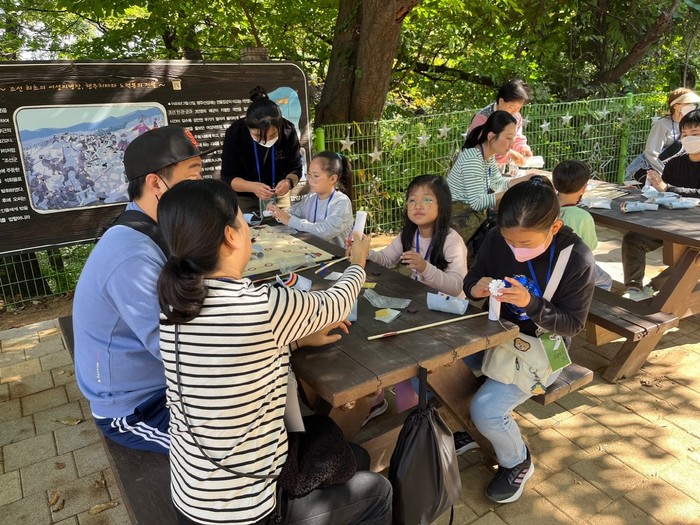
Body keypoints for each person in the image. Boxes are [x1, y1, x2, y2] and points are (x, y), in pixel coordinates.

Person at [156, 179, 392, 525]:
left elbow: (231, 355)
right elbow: (337, 303)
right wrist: (357, 263)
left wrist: (294, 341)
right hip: (250, 509)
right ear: (231, 236)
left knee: (353, 454)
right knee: (378, 491)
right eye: (243, 222)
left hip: (191, 496)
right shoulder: (260, 306)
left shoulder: (173, 306)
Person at [73, 126, 212, 454]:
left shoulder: (155, 226)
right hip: (138, 408)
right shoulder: (131, 255)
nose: (202, 185)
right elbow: (180, 350)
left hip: (163, 383)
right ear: (156, 184)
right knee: (233, 449)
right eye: (193, 176)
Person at [457, 176, 595, 504]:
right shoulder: (496, 238)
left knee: (487, 410)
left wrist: (530, 304)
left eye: (526, 243)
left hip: (544, 347)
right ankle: (468, 429)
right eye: (510, 241)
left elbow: (572, 324)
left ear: (555, 227)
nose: (516, 250)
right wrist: (475, 287)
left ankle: (517, 460)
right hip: (495, 335)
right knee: (434, 367)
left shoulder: (576, 258)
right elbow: (473, 277)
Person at [361, 174, 468, 416]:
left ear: (442, 205)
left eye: (427, 199)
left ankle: (416, 412)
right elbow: (386, 259)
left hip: (448, 313)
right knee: (378, 334)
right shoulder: (409, 235)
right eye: (412, 200)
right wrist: (365, 251)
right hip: (420, 307)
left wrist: (425, 268)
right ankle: (383, 399)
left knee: (404, 355)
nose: (418, 205)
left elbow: (456, 286)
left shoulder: (452, 241)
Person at [622, 109, 700, 300]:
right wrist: (649, 189)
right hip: (669, 225)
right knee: (633, 239)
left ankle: (654, 286)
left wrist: (667, 188)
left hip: (695, 231)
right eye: (684, 134)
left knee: (691, 257)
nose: (689, 138)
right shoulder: (675, 164)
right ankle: (633, 288)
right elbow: (662, 195)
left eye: (695, 133)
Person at [448, 110, 532, 263]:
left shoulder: (488, 155)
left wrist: (525, 179)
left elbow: (499, 184)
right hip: (457, 220)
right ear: (491, 136)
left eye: (513, 138)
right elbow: (477, 203)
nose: (512, 144)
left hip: (468, 218)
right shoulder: (473, 158)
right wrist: (513, 191)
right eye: (508, 138)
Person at [220, 85, 303, 213]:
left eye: (273, 135)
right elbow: (228, 177)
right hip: (245, 198)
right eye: (258, 136)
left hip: (278, 197)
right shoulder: (235, 133)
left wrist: (289, 182)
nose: (265, 140)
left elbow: (295, 168)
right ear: (248, 126)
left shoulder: (288, 130)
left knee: (284, 225)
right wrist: (252, 187)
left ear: (280, 125)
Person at [267, 151, 353, 247]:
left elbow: (324, 232)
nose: (310, 180)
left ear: (333, 179)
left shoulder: (341, 202)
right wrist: (277, 213)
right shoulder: (311, 198)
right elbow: (292, 213)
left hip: (337, 254)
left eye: (316, 176)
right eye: (309, 174)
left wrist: (290, 220)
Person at [552, 159, 613, 291]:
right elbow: (590, 246)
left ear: (554, 185)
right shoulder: (583, 217)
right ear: (584, 188)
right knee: (606, 280)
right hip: (573, 267)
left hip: (550, 263)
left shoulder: (547, 206)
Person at [625, 88, 700, 182]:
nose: (692, 106)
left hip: (669, 168)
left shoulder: (687, 124)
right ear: (676, 106)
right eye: (688, 103)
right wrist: (666, 173)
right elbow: (651, 154)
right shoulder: (662, 124)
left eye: (693, 104)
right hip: (647, 168)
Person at [468, 79, 533, 172]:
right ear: (501, 101)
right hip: (477, 166)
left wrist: (523, 148)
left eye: (519, 108)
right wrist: (510, 153)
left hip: (500, 166)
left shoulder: (516, 116)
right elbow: (479, 147)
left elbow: (517, 137)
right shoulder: (482, 118)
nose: (515, 111)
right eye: (512, 107)